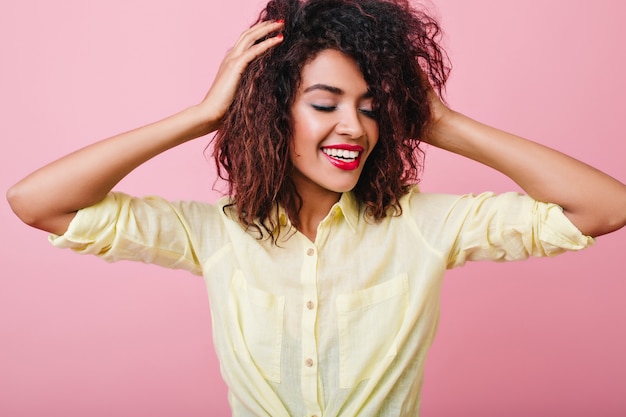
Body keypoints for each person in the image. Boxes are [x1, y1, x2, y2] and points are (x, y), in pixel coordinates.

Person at [6, 0, 626, 415]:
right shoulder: (215, 235)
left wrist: (442, 122)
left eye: (371, 105)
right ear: (273, 112)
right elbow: (37, 202)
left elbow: (603, 207)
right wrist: (202, 115)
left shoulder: (428, 226)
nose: (353, 127)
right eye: (325, 104)